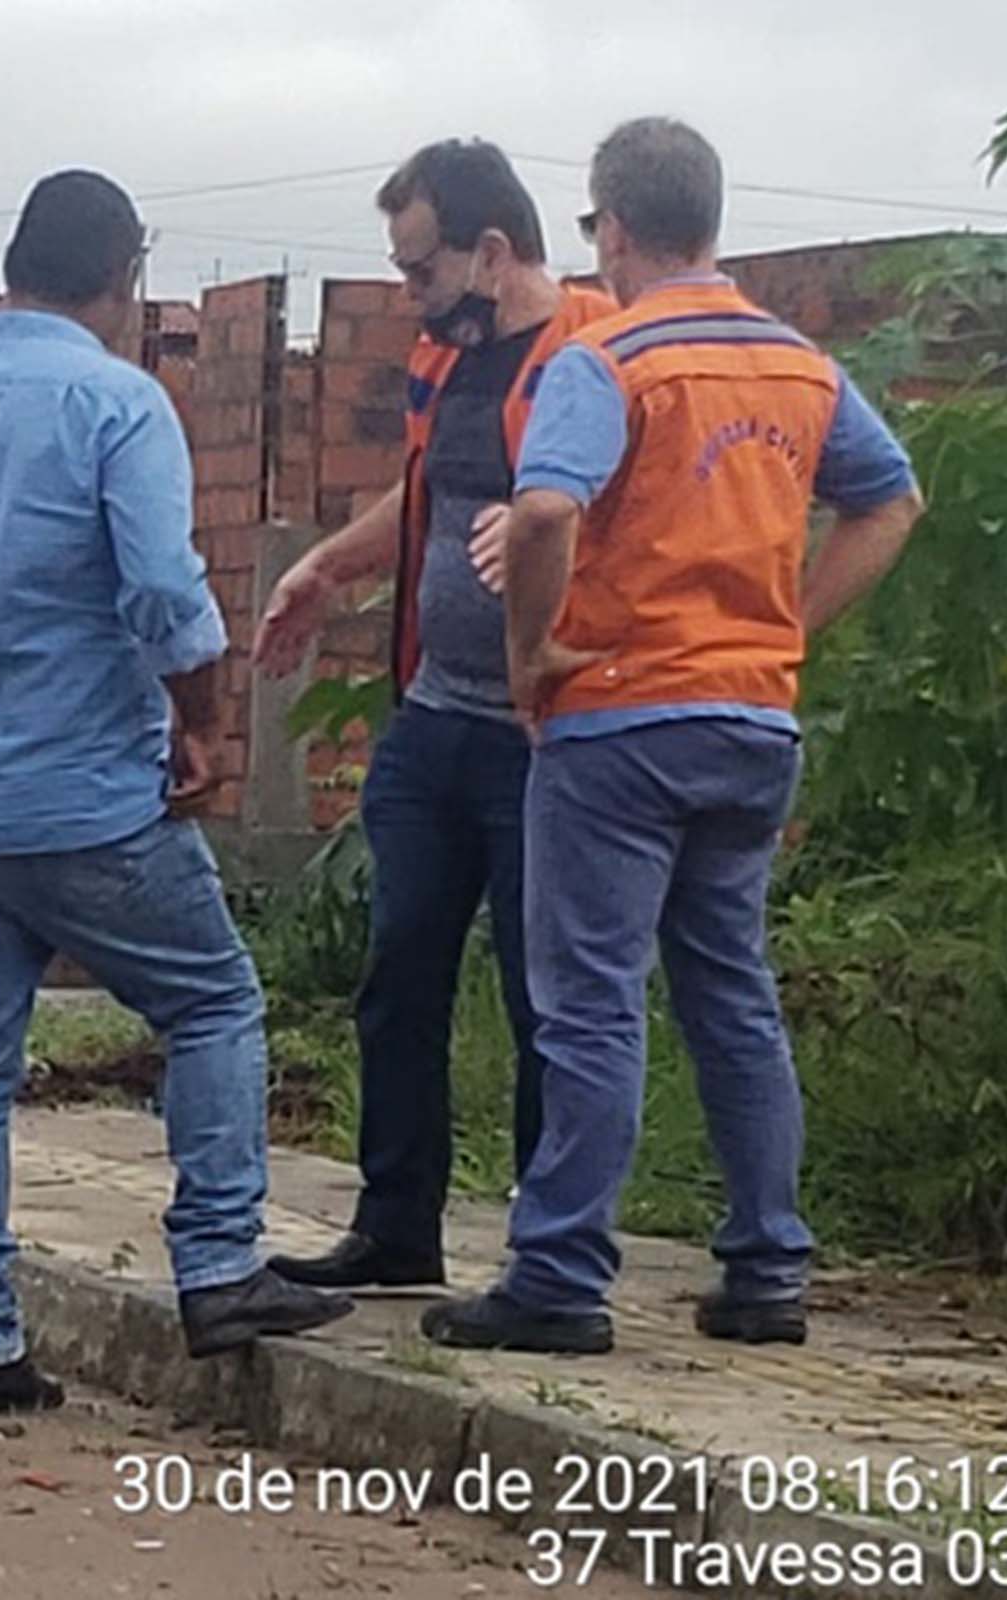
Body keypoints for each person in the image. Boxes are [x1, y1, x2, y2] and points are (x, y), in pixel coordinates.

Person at [0, 169, 354, 1415]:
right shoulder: (122, 404)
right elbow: (168, 599)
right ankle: (219, 1265)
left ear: (14, 264)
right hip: (87, 801)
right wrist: (202, 725)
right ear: (123, 274)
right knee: (214, 1000)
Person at [422, 118, 924, 1355]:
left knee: (590, 1002)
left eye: (595, 227)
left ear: (618, 227)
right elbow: (890, 498)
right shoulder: (801, 365)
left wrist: (535, 651)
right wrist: (784, 628)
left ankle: (558, 1278)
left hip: (618, 719)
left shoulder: (614, 358)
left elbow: (544, 511)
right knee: (732, 995)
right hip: (750, 721)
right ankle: (767, 1268)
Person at [256, 142, 618, 1292]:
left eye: (422, 270)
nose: (410, 293)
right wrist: (328, 567)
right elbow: (427, 491)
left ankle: (545, 1247)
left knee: (541, 989)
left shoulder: (595, 353)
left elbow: (626, 506)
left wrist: (550, 535)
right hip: (431, 717)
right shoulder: (446, 361)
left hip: (543, 727)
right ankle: (397, 1224)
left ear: (493, 251)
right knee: (400, 965)